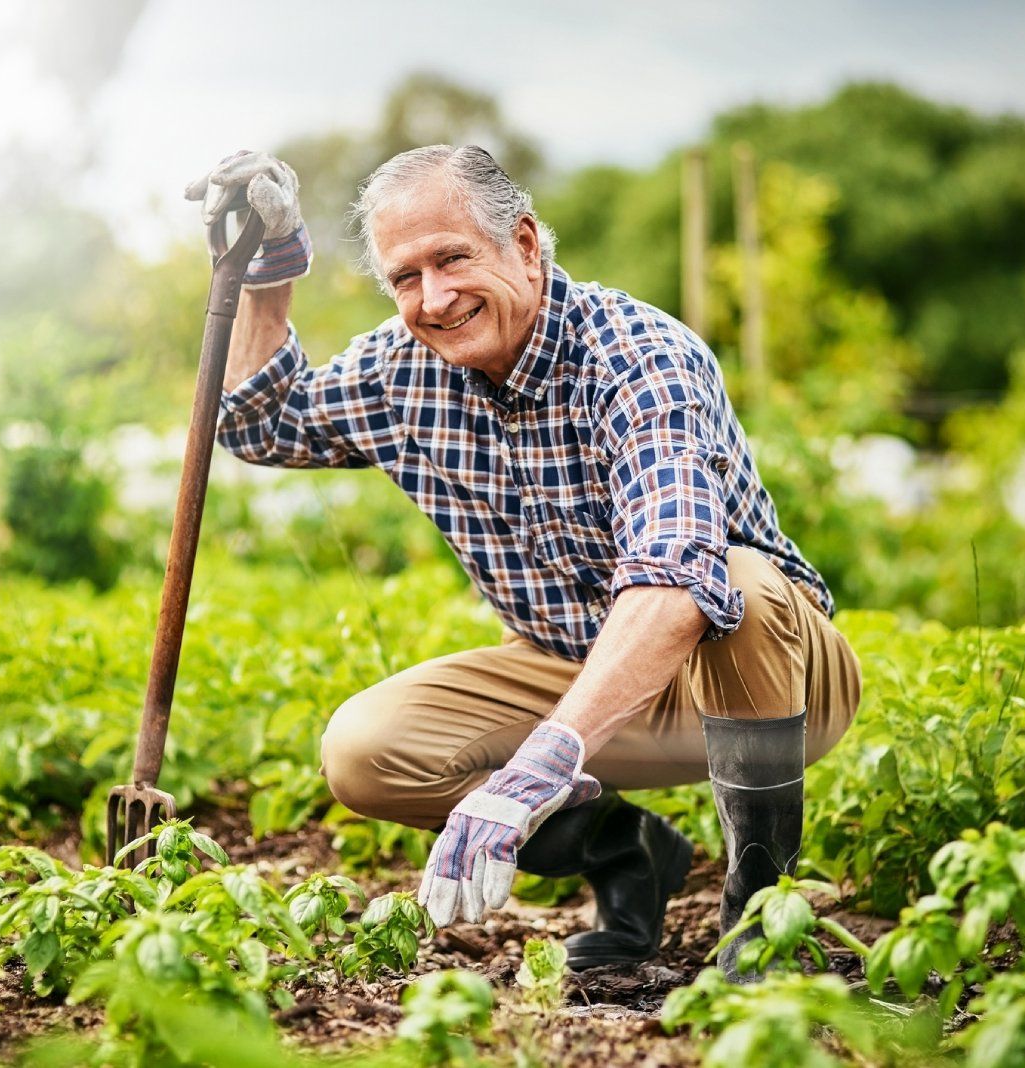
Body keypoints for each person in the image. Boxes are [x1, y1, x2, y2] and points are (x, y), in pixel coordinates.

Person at [188, 146, 862, 982]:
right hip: (569, 669)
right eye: (406, 277)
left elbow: (678, 575)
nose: (434, 298)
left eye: (453, 258)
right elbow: (261, 423)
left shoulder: (640, 355)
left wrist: (542, 764)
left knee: (741, 588)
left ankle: (761, 916)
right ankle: (631, 854)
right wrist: (270, 266)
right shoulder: (404, 370)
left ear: (527, 243)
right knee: (365, 750)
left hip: (762, 676)